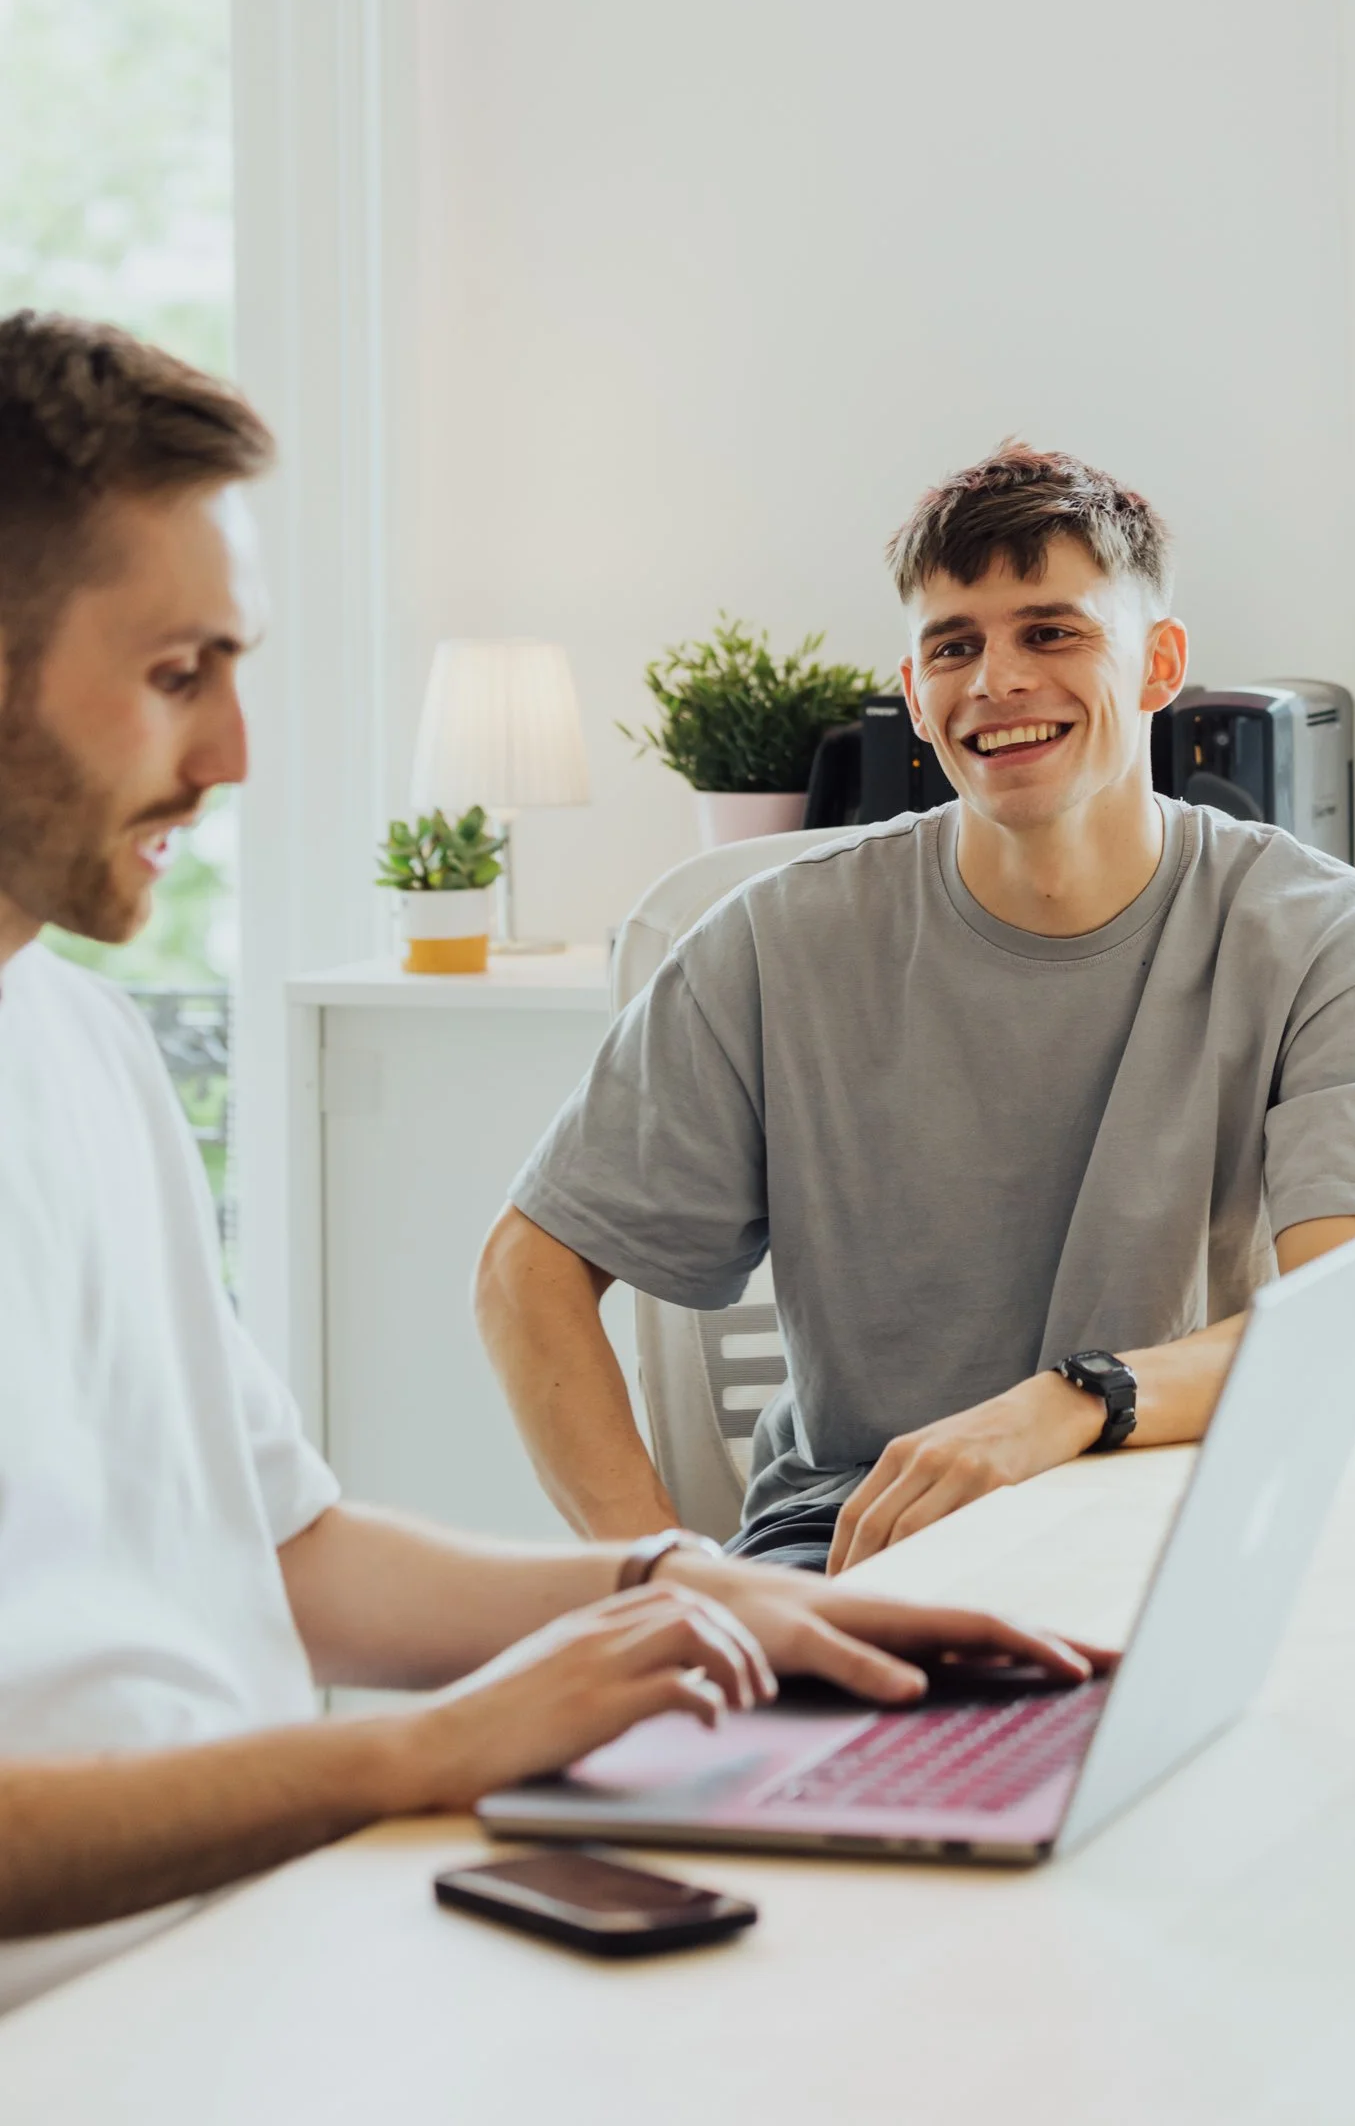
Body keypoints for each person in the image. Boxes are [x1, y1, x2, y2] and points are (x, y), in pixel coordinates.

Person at [0, 315, 1088, 2014]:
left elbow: (287, 1555)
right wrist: (417, 1758)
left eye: (233, 671)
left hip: (260, 1942)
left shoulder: (82, 1045)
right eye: (172, 675)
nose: (233, 759)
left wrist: (682, 1592)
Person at [478, 442, 1355, 1577]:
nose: (996, 681)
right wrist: (660, 1580)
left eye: (1052, 631)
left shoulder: (1320, 933)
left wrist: (1065, 1406)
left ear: (1158, 665)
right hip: (866, 1529)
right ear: (914, 695)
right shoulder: (776, 941)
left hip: (1181, 1498)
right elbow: (525, 1274)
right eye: (954, 647)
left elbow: (1354, 1327)